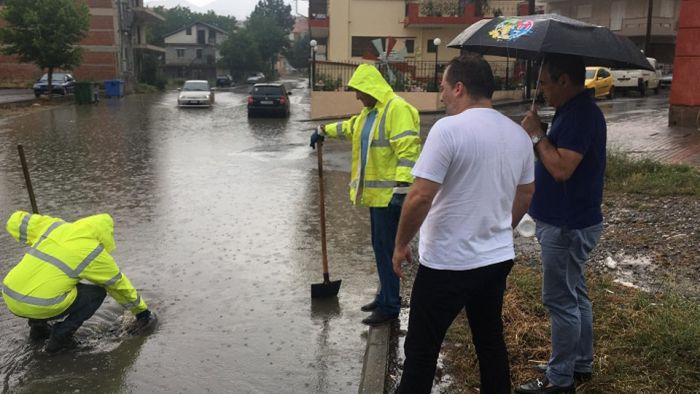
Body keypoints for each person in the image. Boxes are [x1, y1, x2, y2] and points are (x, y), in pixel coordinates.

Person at [392, 54, 535, 393]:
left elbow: (419, 196)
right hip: (495, 261)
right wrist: (502, 228)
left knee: (421, 349)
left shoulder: (448, 129)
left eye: (442, 87)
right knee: (489, 342)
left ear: (459, 88)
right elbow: (527, 193)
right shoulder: (518, 135)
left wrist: (400, 245)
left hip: (447, 264)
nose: (441, 95)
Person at [515, 54, 606, 394]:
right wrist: (541, 133)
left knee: (560, 300)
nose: (541, 89)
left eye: (544, 82)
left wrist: (538, 135)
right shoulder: (573, 112)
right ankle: (579, 362)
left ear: (564, 81)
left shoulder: (582, 115)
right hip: (568, 220)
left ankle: (559, 379)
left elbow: (562, 169)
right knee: (576, 294)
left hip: (566, 225)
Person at [310, 63, 421, 326]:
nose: (357, 96)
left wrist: (402, 191)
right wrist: (322, 130)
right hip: (376, 198)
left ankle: (390, 306)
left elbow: (408, 152)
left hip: (390, 198)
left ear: (371, 88)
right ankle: (384, 295)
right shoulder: (369, 113)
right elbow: (349, 128)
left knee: (386, 251)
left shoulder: (397, 109)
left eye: (359, 91)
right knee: (380, 248)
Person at [2, 211, 156, 353]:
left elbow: (17, 222)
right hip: (40, 304)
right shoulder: (93, 252)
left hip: (9, 293)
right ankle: (60, 337)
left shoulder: (54, 227)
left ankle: (38, 329)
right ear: (104, 235)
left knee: (50, 281)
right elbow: (119, 286)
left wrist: (38, 235)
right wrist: (142, 313)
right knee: (97, 293)